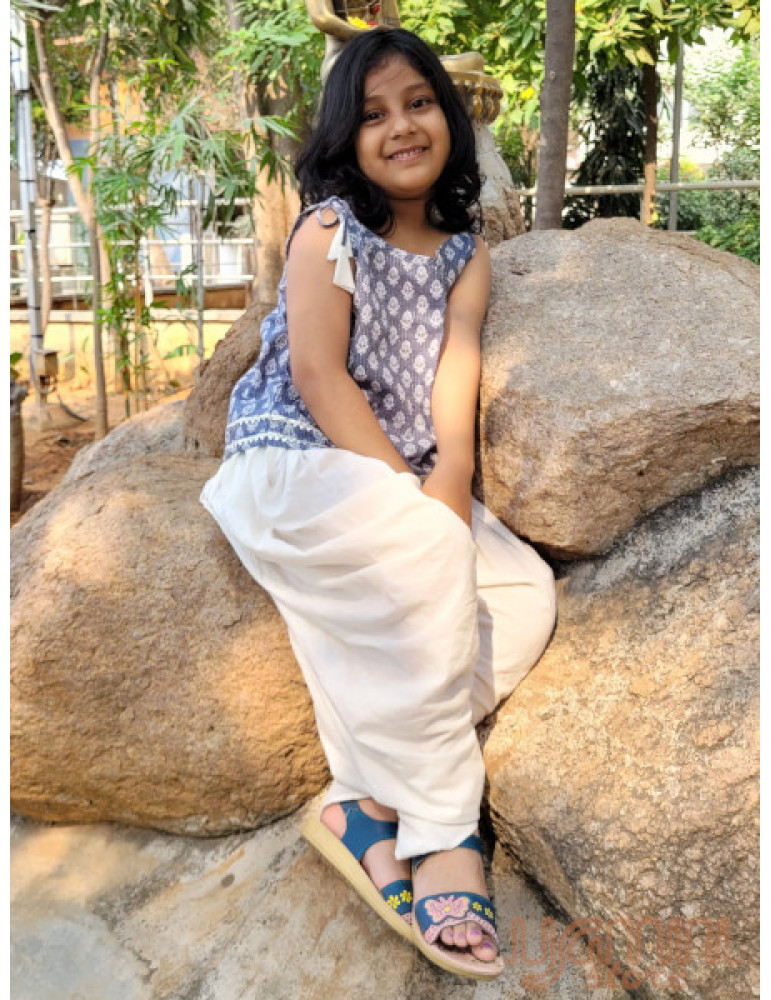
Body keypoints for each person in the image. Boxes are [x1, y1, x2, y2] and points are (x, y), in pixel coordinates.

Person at [200, 27, 556, 981]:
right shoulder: (330, 232)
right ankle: (441, 830)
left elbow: (455, 371)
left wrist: (448, 484)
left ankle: (361, 798)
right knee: (432, 554)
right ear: (343, 139)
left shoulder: (463, 255)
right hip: (296, 466)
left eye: (418, 102)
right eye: (372, 114)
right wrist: (410, 495)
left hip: (393, 479)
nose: (400, 126)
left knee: (520, 596)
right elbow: (319, 376)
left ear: (449, 114)